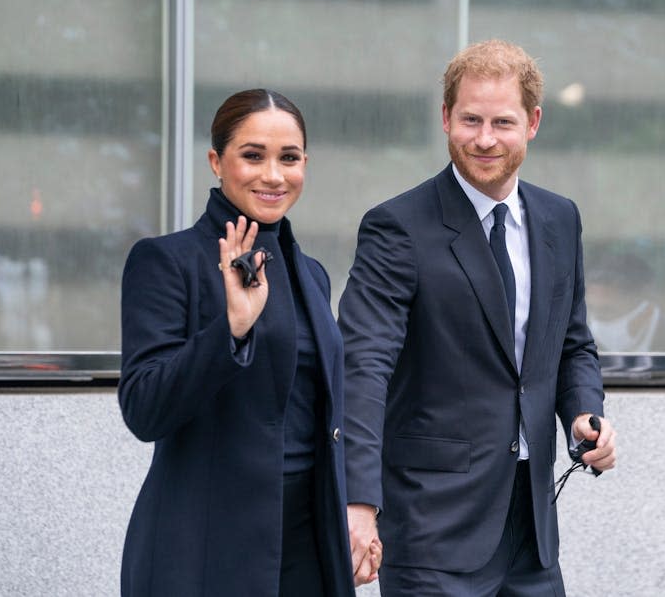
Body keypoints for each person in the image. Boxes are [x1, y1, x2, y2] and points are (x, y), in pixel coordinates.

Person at [339, 40, 617, 596]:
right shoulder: (397, 227)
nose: (485, 139)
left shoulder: (560, 219)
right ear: (446, 118)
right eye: (470, 119)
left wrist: (586, 414)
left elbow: (571, 344)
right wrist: (358, 501)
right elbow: (362, 368)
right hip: (431, 531)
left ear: (533, 122)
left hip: (532, 531)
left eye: (502, 122)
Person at [118, 89, 379, 596]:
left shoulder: (312, 274)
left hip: (309, 545)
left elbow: (327, 413)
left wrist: (359, 509)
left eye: (290, 158)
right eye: (253, 155)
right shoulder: (167, 263)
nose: (274, 175)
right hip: (205, 548)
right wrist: (230, 331)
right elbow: (144, 410)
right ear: (217, 161)